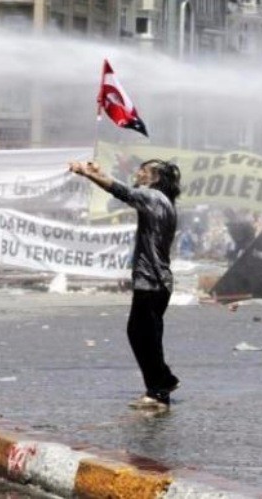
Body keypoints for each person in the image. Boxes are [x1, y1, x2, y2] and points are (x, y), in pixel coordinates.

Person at [68, 158, 181, 412]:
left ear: (155, 178)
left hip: (151, 282)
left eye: (145, 170)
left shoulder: (152, 197)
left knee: (141, 334)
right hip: (157, 282)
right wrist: (99, 172)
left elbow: (120, 191)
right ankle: (164, 381)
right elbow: (122, 187)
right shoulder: (163, 201)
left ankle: (158, 391)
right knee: (148, 336)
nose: (139, 173)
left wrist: (87, 174)